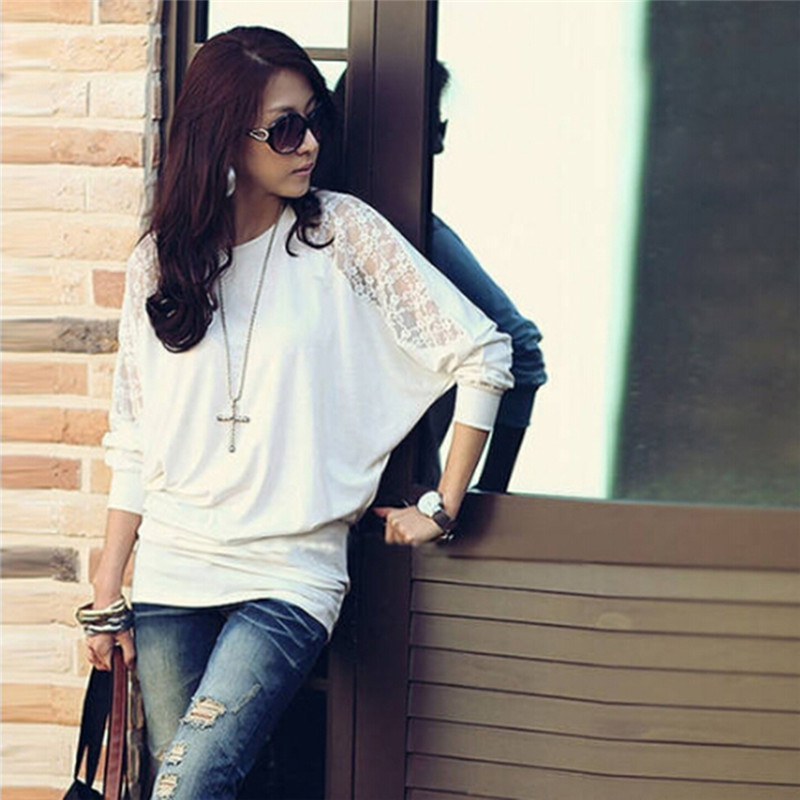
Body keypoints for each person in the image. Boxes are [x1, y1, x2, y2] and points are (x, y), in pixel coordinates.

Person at [78, 26, 513, 800]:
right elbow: (135, 436)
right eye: (284, 129)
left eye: (314, 120)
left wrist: (443, 507)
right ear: (224, 137)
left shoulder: (340, 235)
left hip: (288, 574)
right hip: (174, 570)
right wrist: (107, 588)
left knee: (187, 784)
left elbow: (484, 352)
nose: (308, 144)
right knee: (190, 784)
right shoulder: (161, 261)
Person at [320, 63, 546, 492]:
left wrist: (481, 498)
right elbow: (523, 349)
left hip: (390, 496)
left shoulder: (413, 235)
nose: (440, 144)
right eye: (434, 126)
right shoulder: (379, 230)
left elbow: (518, 350)